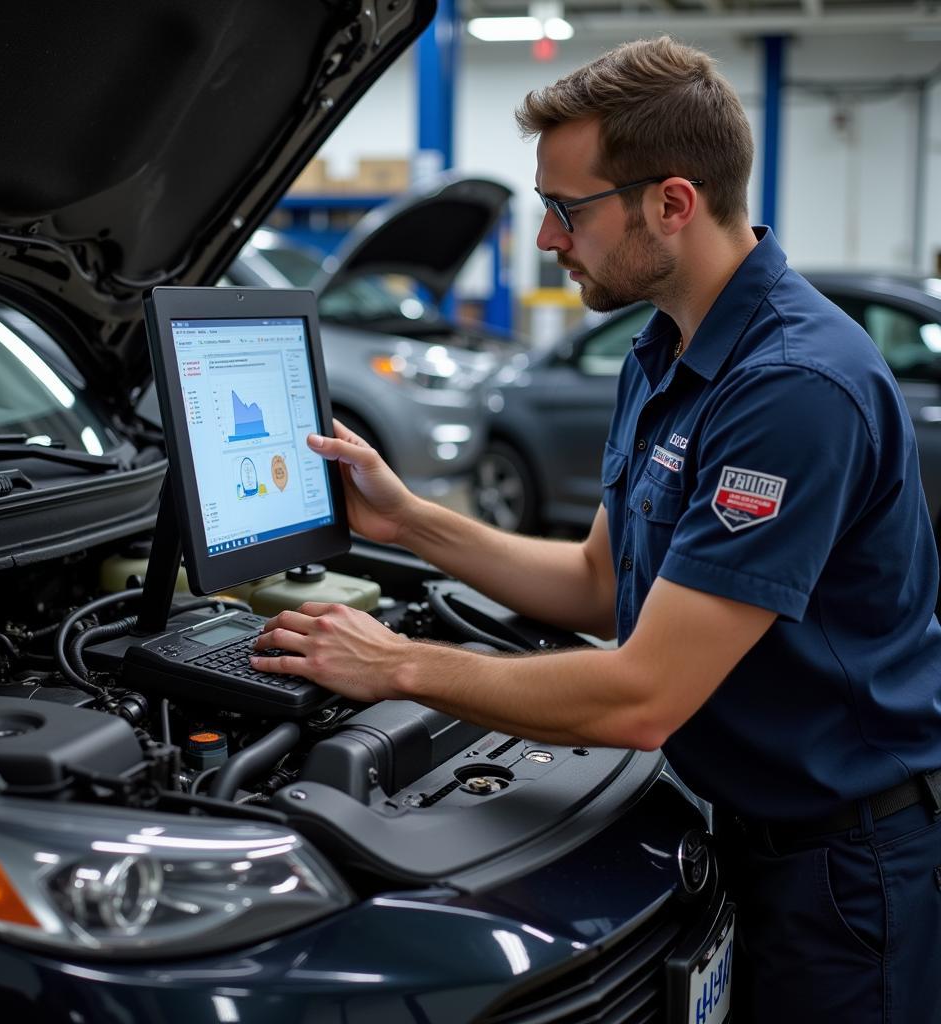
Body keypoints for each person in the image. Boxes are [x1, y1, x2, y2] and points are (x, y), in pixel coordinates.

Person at [251, 36, 941, 1023]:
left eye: (566, 210)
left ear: (672, 202)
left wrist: (395, 665)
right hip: (732, 830)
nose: (544, 240)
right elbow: (592, 578)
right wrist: (409, 520)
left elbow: (642, 693)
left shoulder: (791, 386)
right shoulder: (660, 353)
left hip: (843, 868)